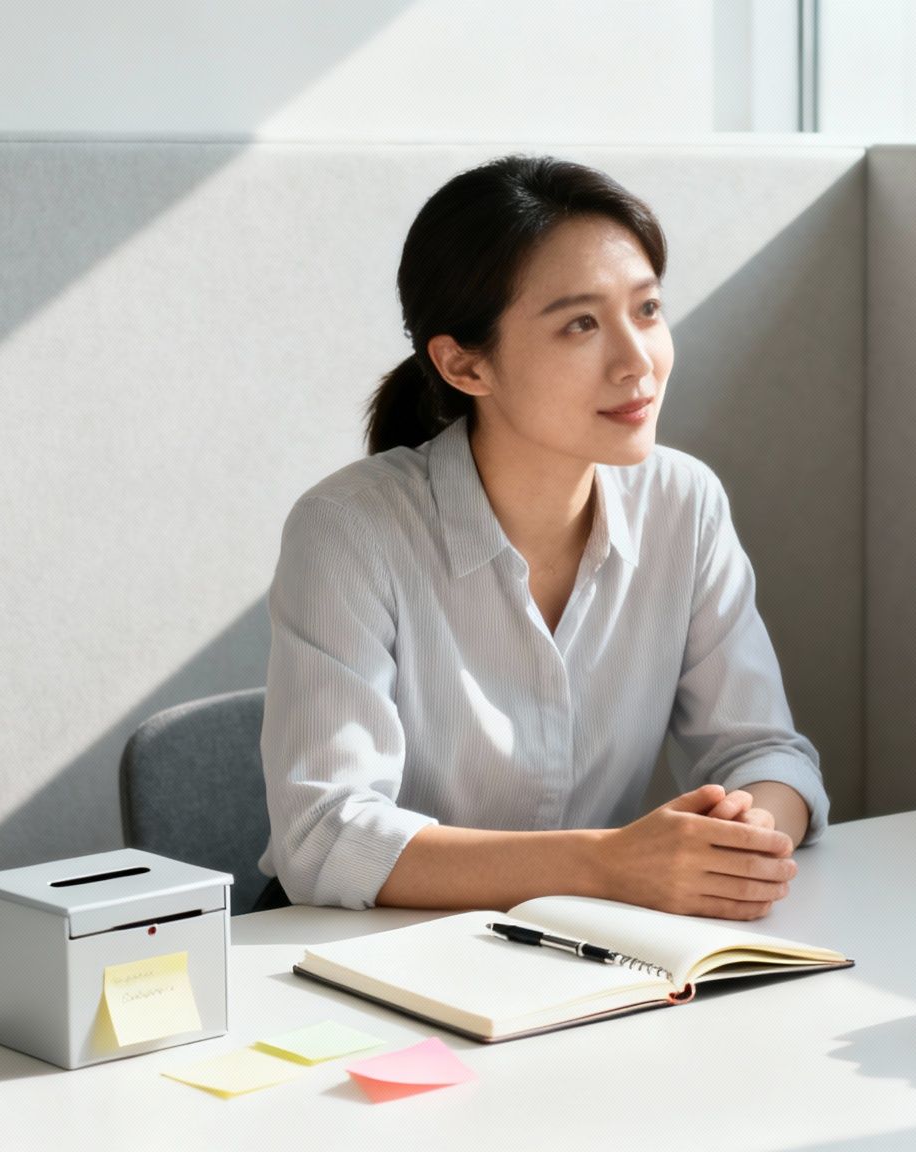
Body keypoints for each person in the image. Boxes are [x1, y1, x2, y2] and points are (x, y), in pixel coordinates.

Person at [257, 155, 827, 919]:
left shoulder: (682, 502)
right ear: (465, 364)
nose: (638, 363)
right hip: (373, 955)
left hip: (573, 946)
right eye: (581, 324)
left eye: (648, 310)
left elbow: (764, 751)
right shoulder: (350, 530)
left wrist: (742, 841)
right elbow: (325, 837)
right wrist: (610, 864)